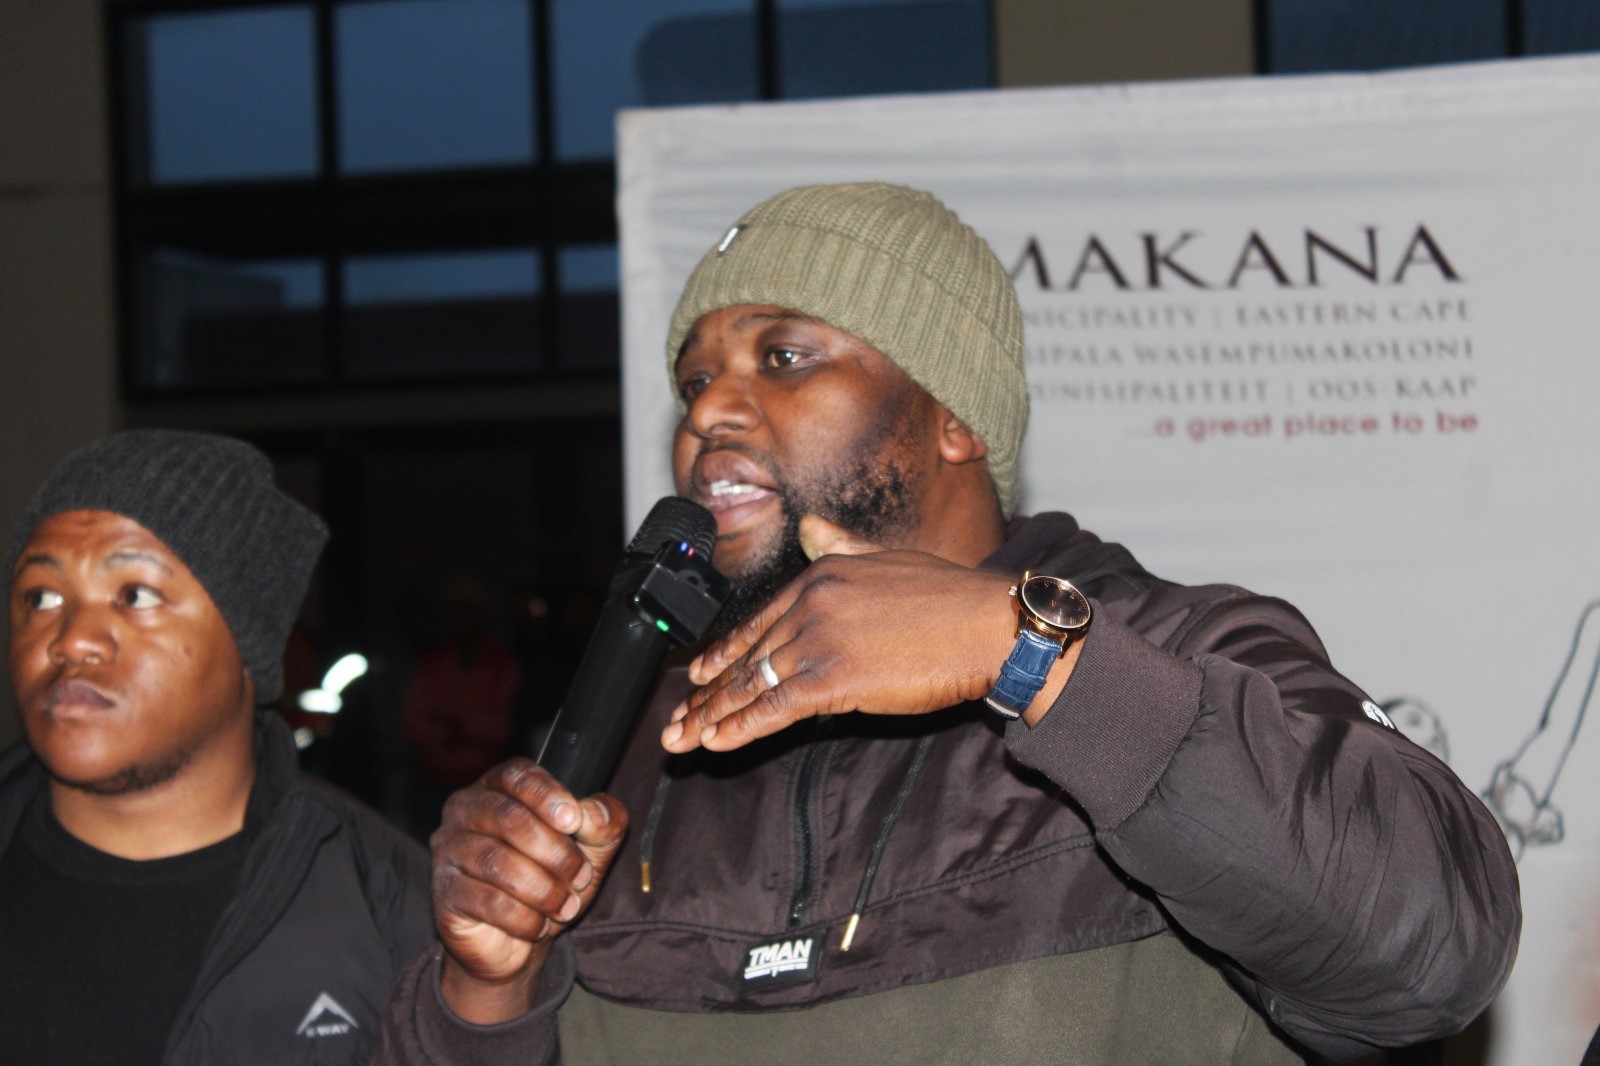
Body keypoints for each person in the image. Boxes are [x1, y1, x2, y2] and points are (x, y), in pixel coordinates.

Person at [376, 183, 1520, 1064]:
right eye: (693, 382)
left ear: (954, 417)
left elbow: (1431, 954)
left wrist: (1024, 653)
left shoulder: (1170, 648)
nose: (708, 411)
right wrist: (484, 991)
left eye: (783, 356)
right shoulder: (634, 744)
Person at [0, 429, 433, 1064]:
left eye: (135, 595)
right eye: (40, 597)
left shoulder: (396, 910)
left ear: (247, 642)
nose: (71, 639)